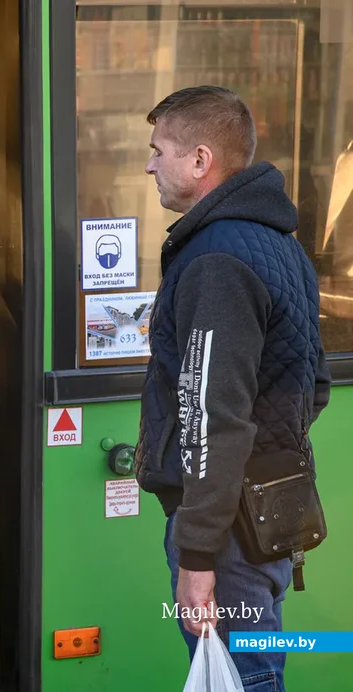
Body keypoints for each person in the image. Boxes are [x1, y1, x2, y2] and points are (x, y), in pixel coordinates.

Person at [135, 85, 330, 691]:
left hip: (226, 536)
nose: (149, 166)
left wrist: (197, 557)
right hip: (267, 514)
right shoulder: (279, 244)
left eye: (158, 151)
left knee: (246, 679)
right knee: (256, 670)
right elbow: (315, 385)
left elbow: (211, 418)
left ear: (200, 160)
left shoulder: (216, 259)